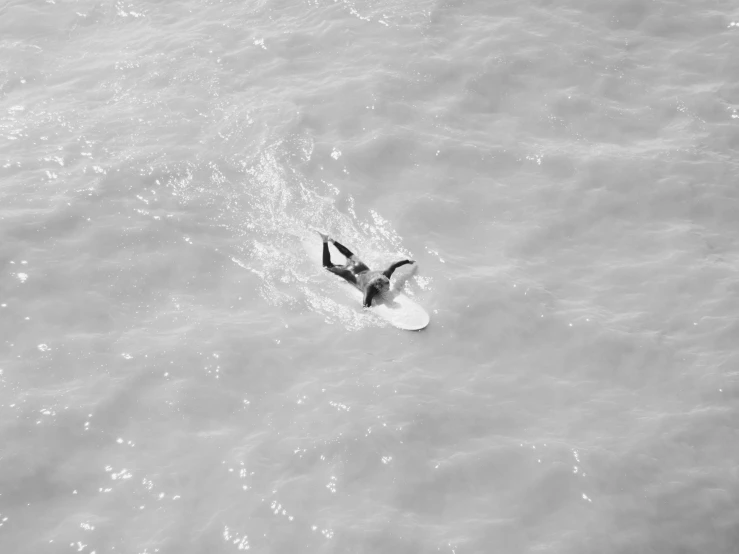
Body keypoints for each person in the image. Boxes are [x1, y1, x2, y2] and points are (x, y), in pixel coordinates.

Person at [316, 231, 415, 307]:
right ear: (378, 287)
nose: (389, 287)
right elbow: (366, 305)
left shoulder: (385, 275)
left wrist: (407, 261)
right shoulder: (369, 289)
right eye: (387, 287)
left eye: (388, 284)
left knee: (349, 255)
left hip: (360, 266)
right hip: (350, 274)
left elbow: (394, 265)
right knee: (327, 266)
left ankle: (331, 240)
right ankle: (325, 241)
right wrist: (367, 310)